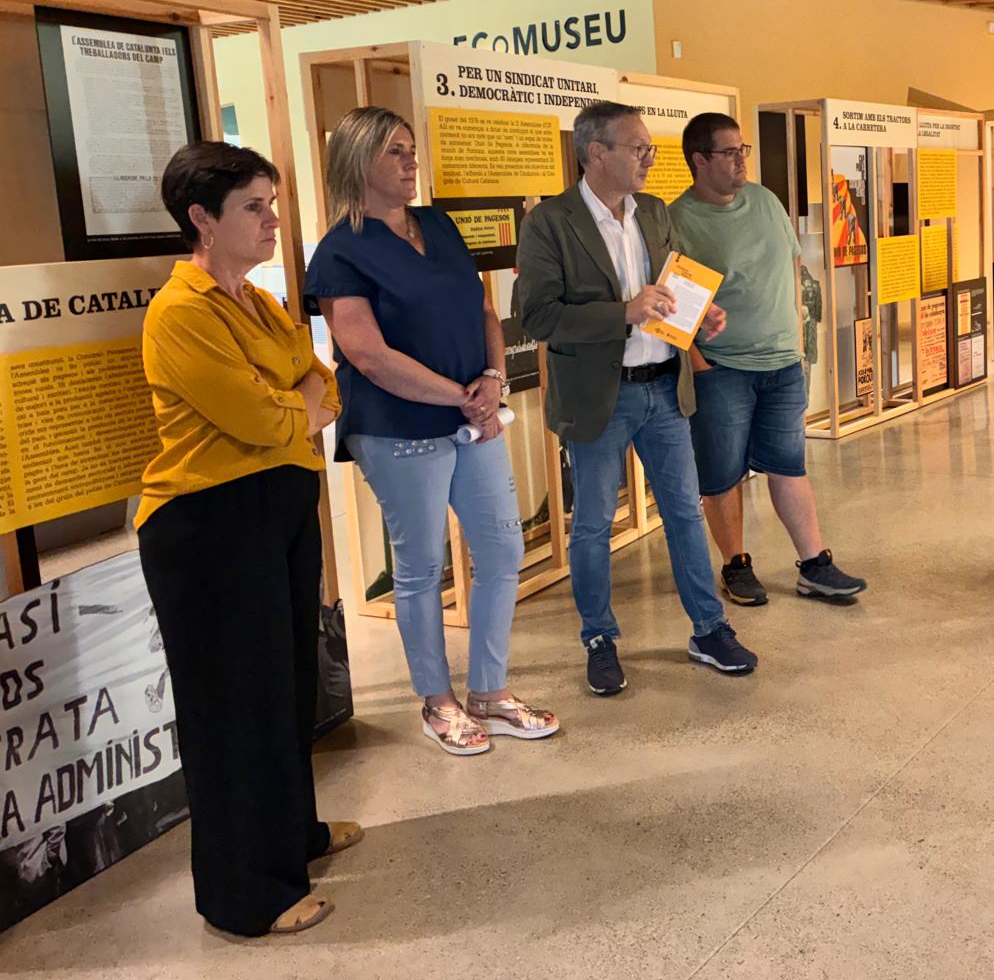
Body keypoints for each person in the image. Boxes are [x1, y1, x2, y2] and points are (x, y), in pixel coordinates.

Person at [136, 142, 359, 936]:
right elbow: (262, 417)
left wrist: (297, 397)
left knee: (286, 685)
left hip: (278, 507)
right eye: (254, 208)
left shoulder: (259, 302)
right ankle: (245, 895)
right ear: (202, 218)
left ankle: (293, 836)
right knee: (233, 706)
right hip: (209, 526)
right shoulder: (182, 312)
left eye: (272, 203)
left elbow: (323, 381)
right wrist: (298, 400)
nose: (272, 221)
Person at [305, 107, 557, 754]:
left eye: (411, 149)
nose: (411, 161)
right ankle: (437, 701)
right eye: (395, 151)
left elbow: (483, 309)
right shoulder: (339, 251)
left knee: (501, 551)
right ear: (358, 160)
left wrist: (493, 381)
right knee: (421, 565)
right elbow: (367, 354)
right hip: (399, 427)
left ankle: (489, 692)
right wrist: (462, 397)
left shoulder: (438, 225)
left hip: (473, 417)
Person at [515, 101, 756, 695]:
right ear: (596, 153)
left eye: (649, 148)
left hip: (664, 391)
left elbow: (671, 288)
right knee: (594, 526)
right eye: (638, 148)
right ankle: (599, 638)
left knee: (683, 514)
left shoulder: (651, 211)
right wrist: (622, 313)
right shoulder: (550, 223)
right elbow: (538, 316)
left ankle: (709, 629)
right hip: (600, 399)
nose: (649, 158)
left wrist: (700, 316)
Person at [669, 112, 868, 607]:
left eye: (744, 150)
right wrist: (700, 365)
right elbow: (675, 305)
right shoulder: (678, 221)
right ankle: (736, 566)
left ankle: (814, 565)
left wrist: (794, 335)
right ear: (699, 160)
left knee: (788, 465)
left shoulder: (765, 201)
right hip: (723, 368)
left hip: (781, 362)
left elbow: (792, 266)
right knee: (723, 475)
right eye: (729, 152)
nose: (741, 160)